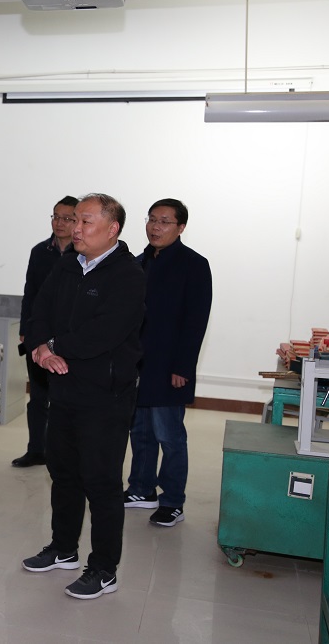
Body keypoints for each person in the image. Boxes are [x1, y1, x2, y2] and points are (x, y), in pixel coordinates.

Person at [21, 193, 145, 600]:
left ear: (112, 229)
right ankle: (63, 548)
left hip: (105, 395)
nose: (76, 229)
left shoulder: (128, 274)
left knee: (101, 481)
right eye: (75, 220)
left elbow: (104, 332)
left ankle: (104, 569)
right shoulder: (68, 264)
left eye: (85, 221)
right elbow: (39, 308)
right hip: (64, 388)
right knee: (64, 473)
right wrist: (40, 346)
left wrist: (54, 346)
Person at [123, 198, 212, 527]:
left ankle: (173, 500)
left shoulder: (193, 264)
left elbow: (196, 321)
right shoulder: (138, 262)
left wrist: (183, 367)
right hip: (138, 364)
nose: (155, 227)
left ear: (181, 227)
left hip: (170, 365)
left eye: (164, 221)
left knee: (169, 435)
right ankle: (141, 489)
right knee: (140, 431)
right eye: (151, 219)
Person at [13, 195, 78, 468]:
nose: (59, 223)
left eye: (67, 218)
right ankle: (36, 450)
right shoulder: (40, 251)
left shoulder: (83, 253)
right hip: (39, 334)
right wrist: (25, 329)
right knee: (38, 397)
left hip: (69, 337)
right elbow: (30, 292)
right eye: (56, 217)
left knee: (66, 399)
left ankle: (62, 454)